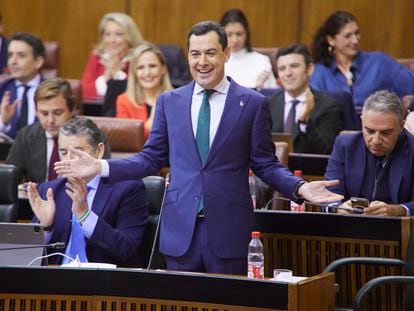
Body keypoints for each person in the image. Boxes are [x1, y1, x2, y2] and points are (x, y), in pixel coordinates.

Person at [55, 21, 342, 275]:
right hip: (180, 230)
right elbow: (150, 159)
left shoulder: (252, 103)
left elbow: (265, 164)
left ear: (226, 54)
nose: (202, 61)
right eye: (195, 53)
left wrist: (300, 188)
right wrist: (100, 167)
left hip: (229, 229)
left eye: (210, 53)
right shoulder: (170, 101)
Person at [27, 116, 149, 266]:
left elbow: (126, 250)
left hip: (102, 281)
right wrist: (45, 227)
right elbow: (30, 258)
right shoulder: (51, 191)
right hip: (56, 279)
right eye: (63, 152)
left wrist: (85, 215)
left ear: (98, 151)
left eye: (77, 152)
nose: (69, 160)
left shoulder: (129, 188)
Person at [325, 90, 414, 216]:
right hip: (350, 225)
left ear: (401, 126)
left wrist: (397, 210)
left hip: (398, 229)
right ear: (362, 122)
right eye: (370, 131)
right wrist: (338, 208)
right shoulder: (345, 145)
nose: (376, 140)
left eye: (386, 133)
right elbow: (330, 194)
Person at [310, 11, 414, 111]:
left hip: (376, 127)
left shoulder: (379, 63)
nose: (355, 40)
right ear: (331, 40)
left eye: (357, 33)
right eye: (348, 36)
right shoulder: (319, 72)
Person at [269, 44, 342, 154]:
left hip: (308, 170)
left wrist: (305, 121)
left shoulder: (329, 106)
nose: (288, 73)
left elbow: (326, 151)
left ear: (309, 69)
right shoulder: (267, 104)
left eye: (294, 66)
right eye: (282, 68)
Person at [5, 78, 76, 184]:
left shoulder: (91, 136)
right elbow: (9, 179)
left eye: (57, 113)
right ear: (36, 112)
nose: (50, 120)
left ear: (72, 109)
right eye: (44, 113)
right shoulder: (25, 135)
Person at [116, 42, 172, 138]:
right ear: (134, 73)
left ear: (163, 69)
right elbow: (125, 140)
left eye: (152, 66)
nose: (147, 73)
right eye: (140, 67)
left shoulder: (176, 99)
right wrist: (151, 122)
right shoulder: (124, 101)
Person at [81, 12, 143, 100]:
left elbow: (139, 93)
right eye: (107, 34)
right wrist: (106, 77)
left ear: (130, 37)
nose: (112, 40)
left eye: (118, 34)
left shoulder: (140, 58)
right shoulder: (97, 56)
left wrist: (117, 72)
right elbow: (84, 92)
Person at [0, 32, 45, 138]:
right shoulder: (2, 90)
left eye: (21, 55)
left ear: (38, 61)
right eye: (10, 55)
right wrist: (3, 122)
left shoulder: (53, 91)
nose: (12, 62)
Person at [220, 8, 276, 90]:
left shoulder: (262, 60)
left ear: (247, 34)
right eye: (229, 34)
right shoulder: (216, 61)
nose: (235, 40)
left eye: (239, 34)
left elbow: (274, 96)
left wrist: (260, 88)